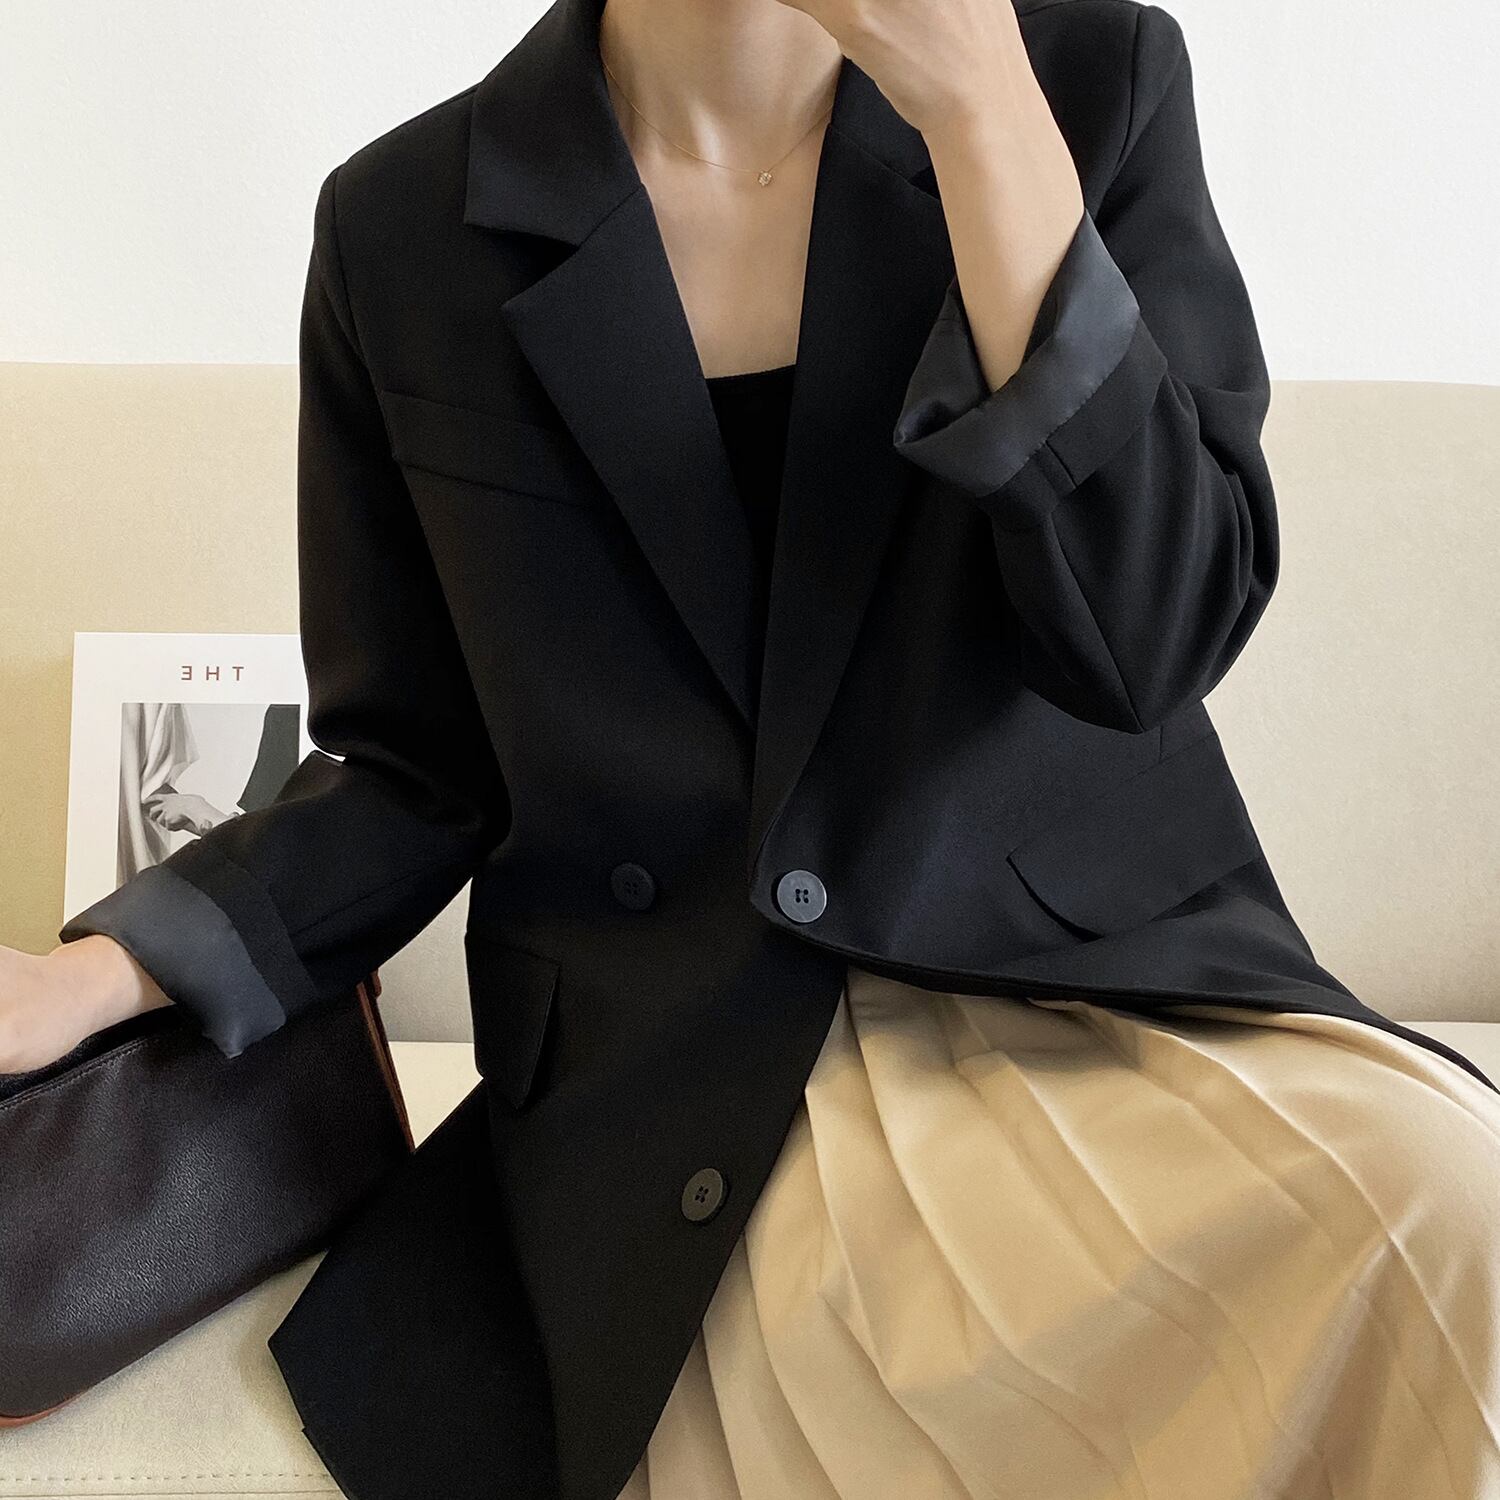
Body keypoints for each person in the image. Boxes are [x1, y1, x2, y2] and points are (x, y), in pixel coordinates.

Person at [6, 0, 1500, 1494]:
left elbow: (1152, 640)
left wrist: (981, 112)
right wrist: (103, 971)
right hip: (687, 1072)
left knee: (1447, 1214)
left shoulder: (1087, 85)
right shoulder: (403, 227)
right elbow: (415, 768)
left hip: (1102, 999)